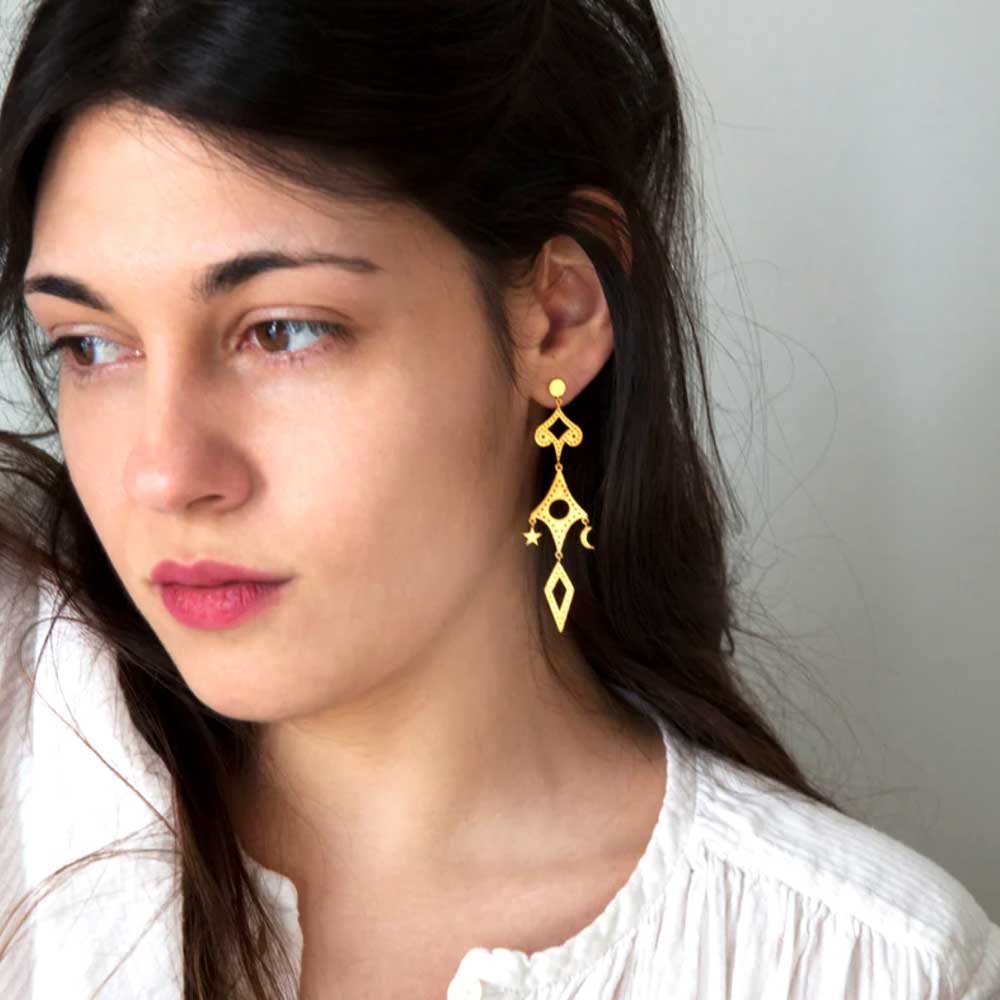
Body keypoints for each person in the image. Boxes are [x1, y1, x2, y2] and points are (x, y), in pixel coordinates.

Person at [0, 2, 996, 998]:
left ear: (558, 315)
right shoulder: (32, 757)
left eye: (284, 331)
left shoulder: (867, 965)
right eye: (90, 345)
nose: (166, 474)